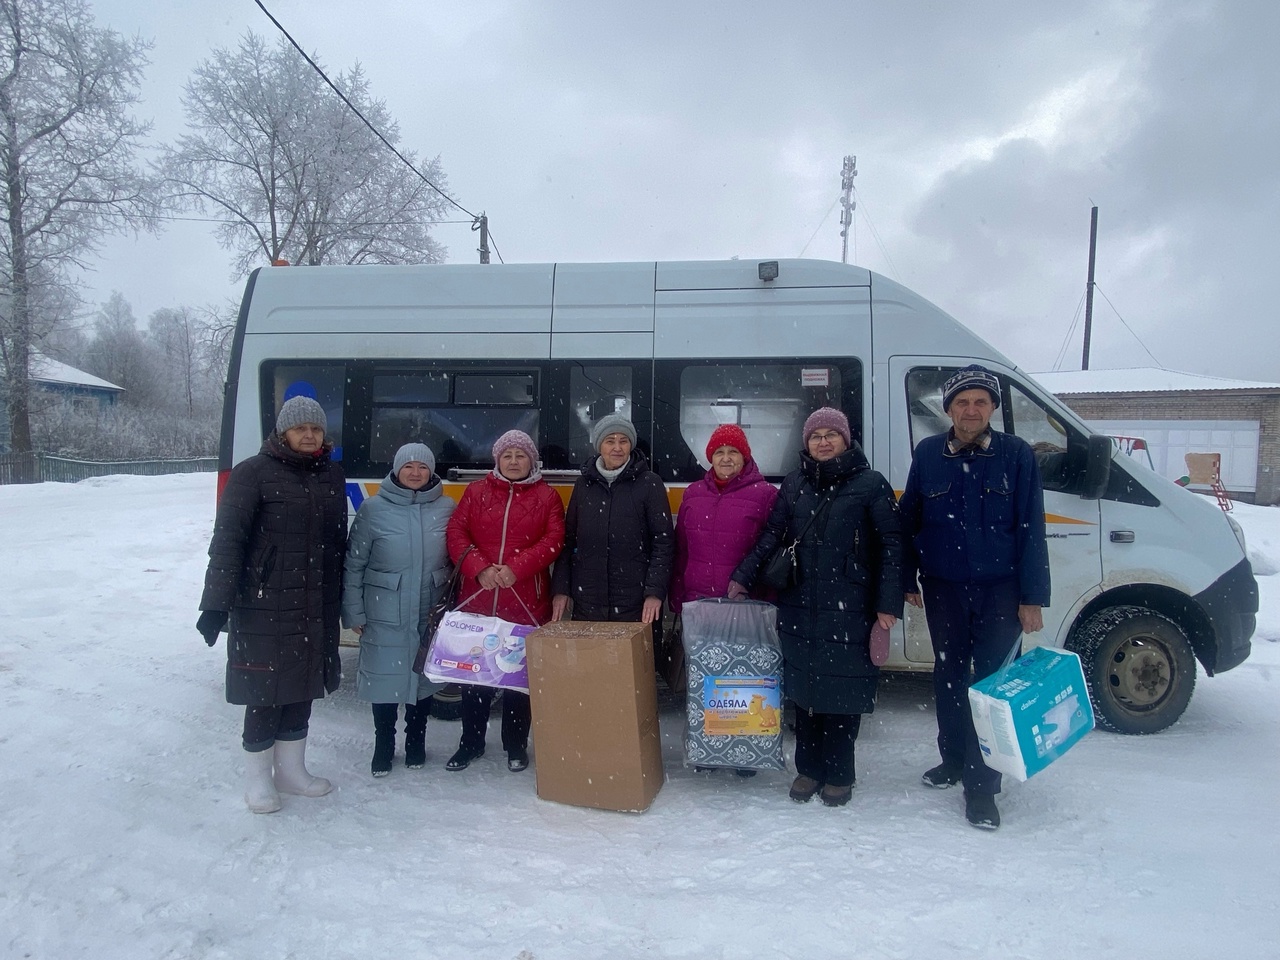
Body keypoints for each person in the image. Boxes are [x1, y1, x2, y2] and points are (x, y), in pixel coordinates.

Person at [898, 364, 1051, 831]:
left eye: (980, 402)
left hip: (1002, 593)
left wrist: (1032, 598)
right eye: (962, 402)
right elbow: (909, 524)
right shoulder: (928, 455)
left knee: (992, 687)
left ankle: (982, 788)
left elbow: (1032, 529)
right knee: (948, 678)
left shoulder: (1016, 455)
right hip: (943, 589)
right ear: (948, 410)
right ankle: (954, 759)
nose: (970, 410)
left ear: (992, 409)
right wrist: (906, 580)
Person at [730, 407, 903, 807]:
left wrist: (887, 603)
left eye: (831, 434)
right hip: (800, 602)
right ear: (806, 442)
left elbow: (892, 547)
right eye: (815, 435)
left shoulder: (871, 484)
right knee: (805, 693)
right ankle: (809, 769)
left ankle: (840, 773)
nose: (823, 442)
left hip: (851, 606)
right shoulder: (794, 484)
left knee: (842, 693)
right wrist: (743, 575)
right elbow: (773, 535)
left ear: (846, 439)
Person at [197, 395, 347, 814]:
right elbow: (227, 543)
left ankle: (292, 773)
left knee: (302, 688)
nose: (309, 435)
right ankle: (259, 780)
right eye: (300, 428)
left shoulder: (330, 475)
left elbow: (337, 544)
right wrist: (214, 606)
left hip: (314, 601)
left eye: (315, 428)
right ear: (283, 432)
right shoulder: (253, 473)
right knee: (264, 691)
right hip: (262, 602)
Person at [444, 430, 565, 773]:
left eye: (521, 455)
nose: (514, 461)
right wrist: (479, 569)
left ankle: (515, 745)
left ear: (532, 461)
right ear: (497, 459)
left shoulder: (547, 496)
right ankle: (471, 743)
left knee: (517, 681)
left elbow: (555, 538)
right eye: (507, 455)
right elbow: (456, 533)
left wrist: (517, 568)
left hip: (525, 601)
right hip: (477, 599)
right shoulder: (476, 492)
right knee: (474, 679)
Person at [670, 424, 778, 777]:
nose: (726, 458)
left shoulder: (764, 495)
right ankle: (706, 746)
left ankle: (743, 750)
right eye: (720, 453)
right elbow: (681, 549)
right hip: (700, 601)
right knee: (704, 677)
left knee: (742, 677)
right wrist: (677, 590)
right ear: (710, 458)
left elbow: (770, 549)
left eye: (733, 452)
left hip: (744, 603)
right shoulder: (692, 495)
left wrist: (761, 593)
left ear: (745, 457)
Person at [342, 442, 455, 778]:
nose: (416, 473)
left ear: (432, 471)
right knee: (385, 682)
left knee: (421, 681)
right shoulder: (373, 509)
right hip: (383, 609)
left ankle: (416, 742)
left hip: (428, 609)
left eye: (423, 467)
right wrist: (353, 612)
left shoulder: (447, 507)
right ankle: (384, 745)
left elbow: (456, 556)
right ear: (396, 470)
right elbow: (354, 564)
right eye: (409, 467)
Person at [551, 413, 674, 635]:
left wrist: (654, 593)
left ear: (631, 445)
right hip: (588, 600)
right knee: (591, 665)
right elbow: (568, 541)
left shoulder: (650, 483)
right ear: (599, 446)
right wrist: (561, 588)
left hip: (635, 603)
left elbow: (663, 543)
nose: (617, 447)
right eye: (610, 441)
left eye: (623, 441)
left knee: (637, 667)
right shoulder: (584, 485)